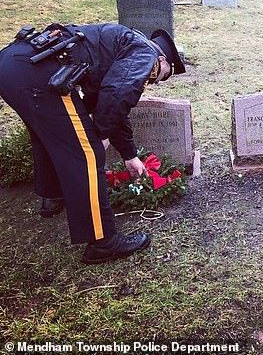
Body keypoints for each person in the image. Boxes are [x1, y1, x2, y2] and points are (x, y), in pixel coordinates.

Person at [0, 23, 185, 263]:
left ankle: (53, 196)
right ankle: (103, 242)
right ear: (162, 60)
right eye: (164, 75)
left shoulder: (122, 43)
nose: (156, 81)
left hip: (13, 64)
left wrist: (129, 154)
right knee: (88, 153)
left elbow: (104, 98)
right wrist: (101, 135)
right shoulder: (145, 54)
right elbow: (117, 95)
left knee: (50, 136)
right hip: (40, 73)